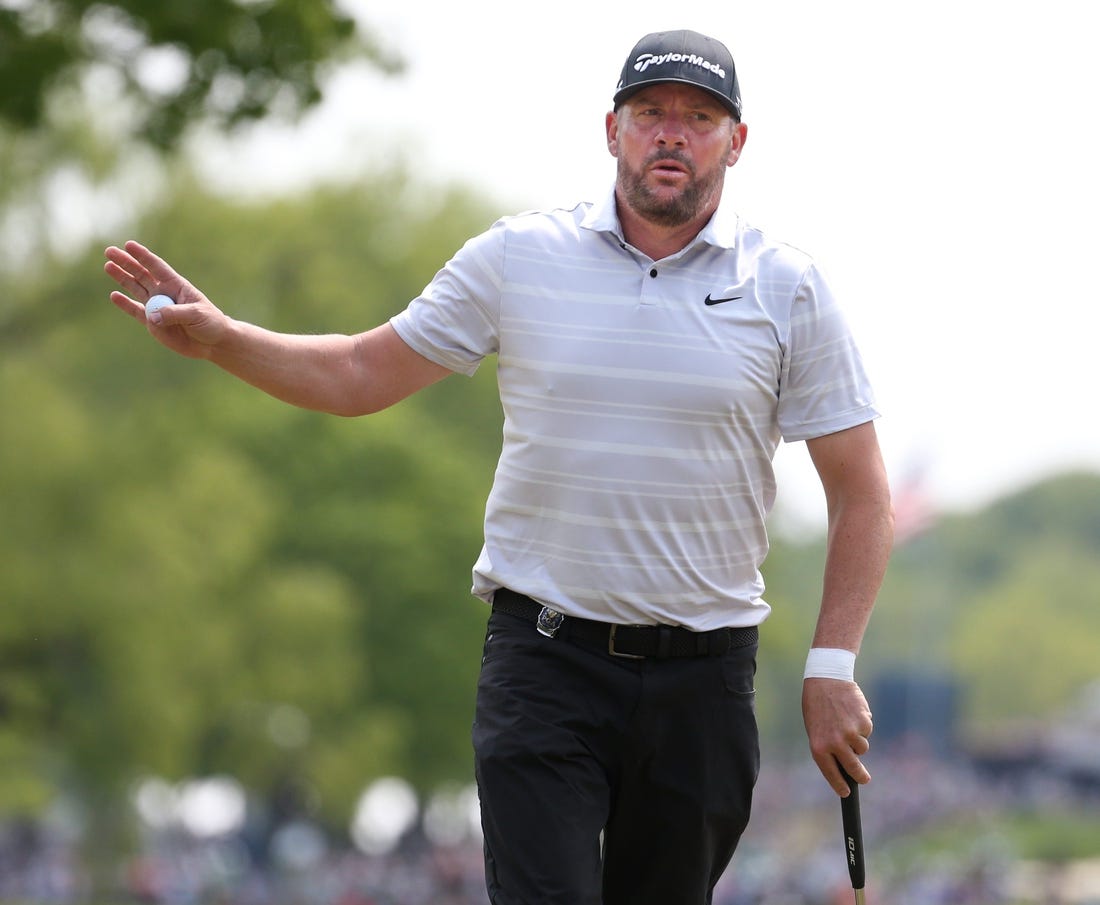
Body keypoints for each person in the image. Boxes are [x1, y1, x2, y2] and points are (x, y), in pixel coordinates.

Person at [105, 28, 893, 905]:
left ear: (735, 143)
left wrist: (830, 665)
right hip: (546, 659)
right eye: (651, 113)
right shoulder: (521, 256)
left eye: (699, 117)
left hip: (704, 679)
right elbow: (364, 370)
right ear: (612, 130)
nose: (672, 133)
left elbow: (860, 493)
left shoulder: (788, 287)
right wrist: (226, 341)